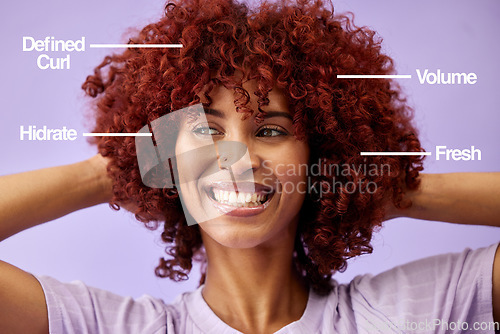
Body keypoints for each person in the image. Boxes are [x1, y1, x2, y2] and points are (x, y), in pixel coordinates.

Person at [1, 0, 499, 333]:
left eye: (271, 130)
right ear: (164, 158)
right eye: (206, 131)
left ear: (320, 157)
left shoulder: (413, 311)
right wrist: (110, 173)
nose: (237, 158)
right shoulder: (108, 325)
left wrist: (389, 190)